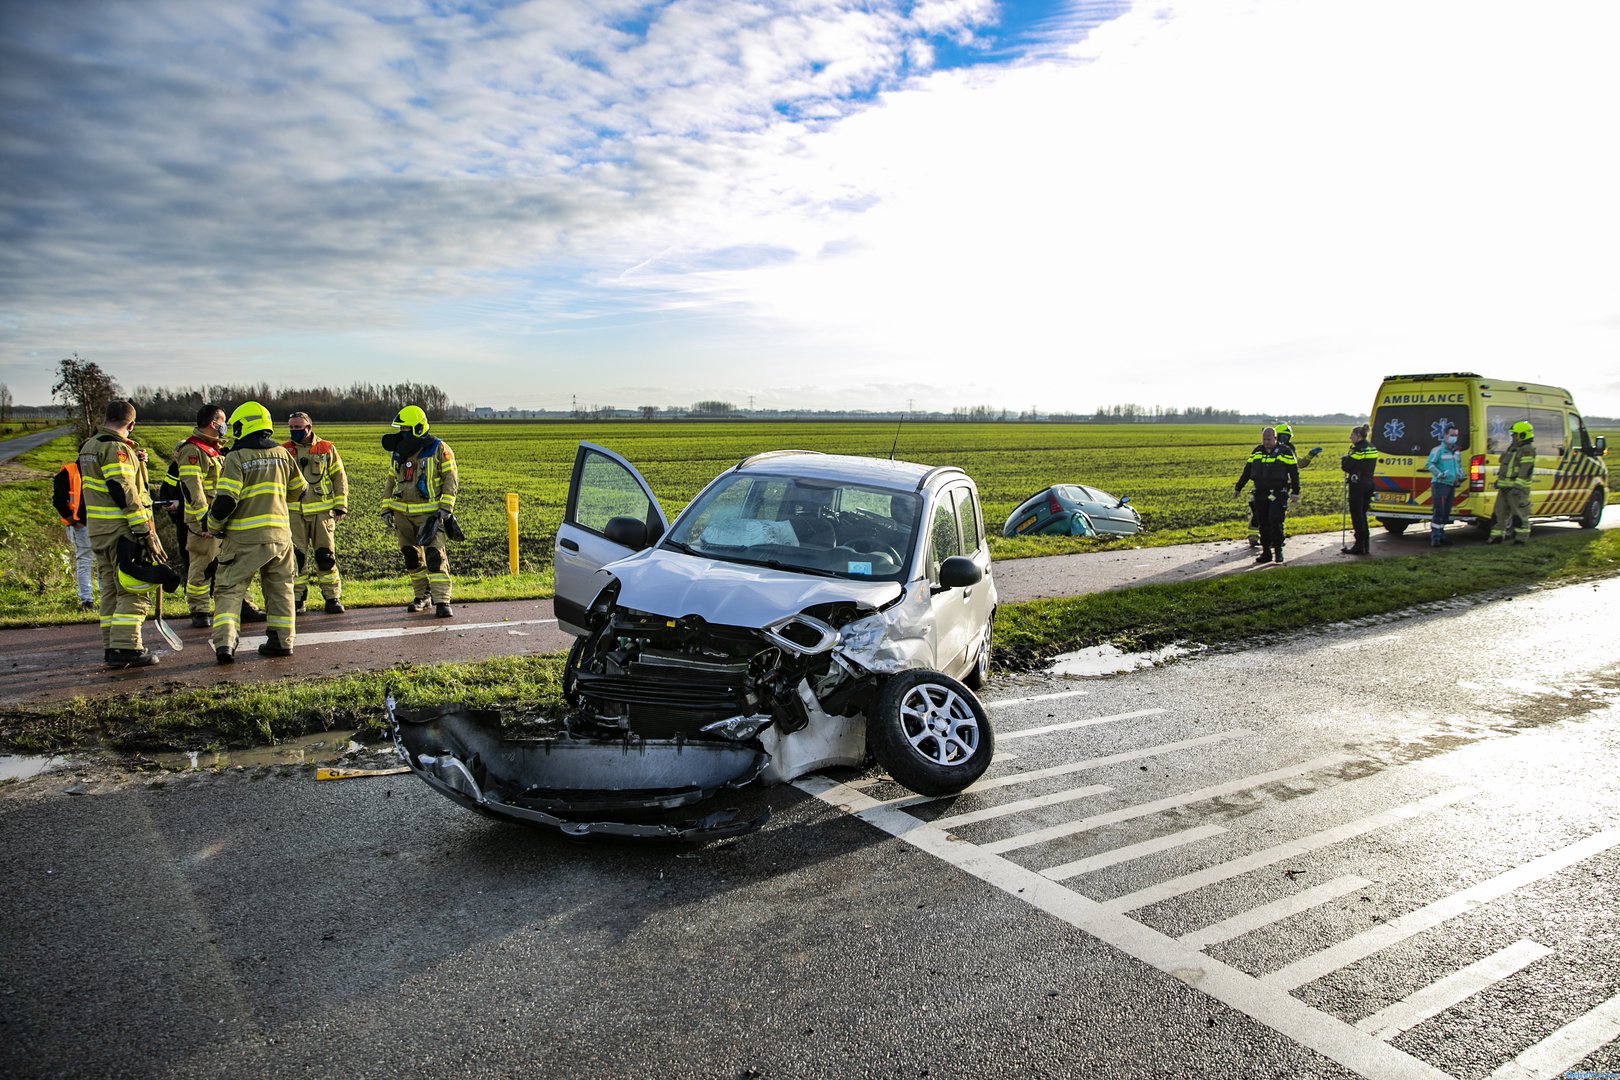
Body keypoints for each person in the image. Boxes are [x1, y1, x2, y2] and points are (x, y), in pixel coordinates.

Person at [205, 401, 304, 662]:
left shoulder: (236, 457)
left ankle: (225, 645)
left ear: (242, 426)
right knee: (281, 589)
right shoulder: (283, 453)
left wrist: (213, 525)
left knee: (229, 589)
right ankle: (282, 641)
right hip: (280, 537)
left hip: (243, 538)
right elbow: (300, 490)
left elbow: (226, 500)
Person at [78, 400, 163, 668]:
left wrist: (137, 460)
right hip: (121, 532)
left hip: (98, 531)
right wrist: (143, 530)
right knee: (132, 590)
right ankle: (127, 648)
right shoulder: (116, 449)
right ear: (132, 424)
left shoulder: (90, 446)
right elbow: (123, 490)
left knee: (110, 591)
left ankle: (111, 646)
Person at [381, 405, 459, 617]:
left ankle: (442, 601)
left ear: (417, 428)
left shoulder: (438, 448)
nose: (402, 432)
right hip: (402, 515)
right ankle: (422, 596)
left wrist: (446, 507)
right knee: (412, 557)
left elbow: (451, 479)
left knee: (435, 557)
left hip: (430, 516)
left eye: (405, 428)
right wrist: (386, 508)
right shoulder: (399, 452)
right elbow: (391, 480)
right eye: (401, 429)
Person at [283, 411, 349, 614]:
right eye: (291, 427)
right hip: (294, 514)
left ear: (308, 428)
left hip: (322, 514)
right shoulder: (284, 450)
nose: (294, 431)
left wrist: (340, 505)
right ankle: (297, 600)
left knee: (326, 557)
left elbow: (339, 477)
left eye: (297, 427)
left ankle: (332, 598)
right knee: (296, 559)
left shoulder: (326, 448)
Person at [172, 404, 228, 626]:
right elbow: (192, 487)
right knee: (202, 566)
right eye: (223, 421)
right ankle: (199, 610)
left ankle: (242, 605)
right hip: (203, 519)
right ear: (213, 423)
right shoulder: (192, 450)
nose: (225, 426)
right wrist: (204, 520)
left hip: (220, 517)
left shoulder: (212, 449)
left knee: (228, 563)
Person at [1234, 425, 1299, 565]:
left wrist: (1295, 491)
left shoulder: (1285, 452)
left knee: (1275, 521)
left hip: (1278, 492)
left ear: (1275, 438)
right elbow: (1247, 471)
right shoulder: (1257, 452)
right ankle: (1266, 552)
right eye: (1264, 439)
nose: (1266, 442)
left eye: (1269, 439)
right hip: (1260, 492)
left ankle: (1278, 550)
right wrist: (1238, 487)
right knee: (1263, 523)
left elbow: (1294, 472)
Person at [51, 458, 96, 611]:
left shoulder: (97, 468)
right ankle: (87, 601)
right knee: (86, 561)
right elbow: (58, 501)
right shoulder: (69, 471)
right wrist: (73, 521)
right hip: (82, 525)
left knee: (101, 563)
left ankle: (102, 599)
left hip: (99, 524)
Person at [1487, 420, 1535, 544]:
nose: (1512, 437)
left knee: (1519, 515)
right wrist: (1499, 482)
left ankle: (1520, 539)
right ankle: (1497, 537)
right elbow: (1505, 468)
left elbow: (1525, 470)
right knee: (1499, 514)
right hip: (1504, 488)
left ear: (1522, 435)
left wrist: (1518, 486)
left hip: (1517, 489)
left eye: (1514, 434)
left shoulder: (1527, 450)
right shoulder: (1512, 449)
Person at [1339, 424, 1379, 555]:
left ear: (1358, 435)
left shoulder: (1357, 450)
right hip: (1369, 483)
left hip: (1358, 485)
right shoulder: (1372, 447)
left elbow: (1346, 467)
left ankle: (1359, 546)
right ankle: (1365, 545)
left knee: (1357, 515)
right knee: (1362, 514)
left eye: (1352, 435)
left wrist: (1344, 459)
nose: (1350, 437)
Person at [1425, 423, 1465, 547]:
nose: (1454, 437)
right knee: (1439, 512)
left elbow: (1458, 465)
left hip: (1451, 485)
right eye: (1452, 435)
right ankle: (1435, 538)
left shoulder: (1456, 451)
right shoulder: (1438, 450)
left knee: (1446, 512)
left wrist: (1460, 476)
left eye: (1456, 435)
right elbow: (1429, 464)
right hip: (1440, 485)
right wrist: (1440, 474)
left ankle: (1442, 535)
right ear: (1445, 435)